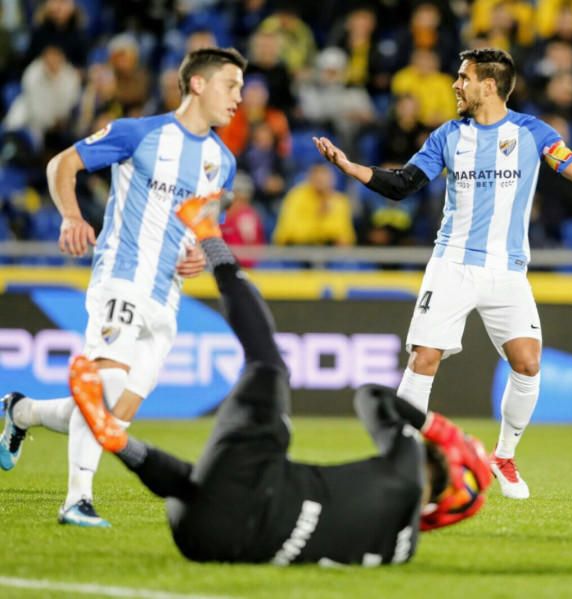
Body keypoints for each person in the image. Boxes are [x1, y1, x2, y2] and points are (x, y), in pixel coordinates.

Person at [66, 193, 492, 565]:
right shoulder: (403, 551)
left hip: (251, 487)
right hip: (205, 539)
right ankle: (118, 440)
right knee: (203, 484)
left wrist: (434, 427)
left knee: (268, 365)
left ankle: (209, 234)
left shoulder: (407, 466)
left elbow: (371, 396)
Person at [314, 48, 572, 500]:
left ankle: (503, 456)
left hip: (507, 272)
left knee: (528, 363)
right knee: (423, 358)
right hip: (453, 266)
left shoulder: (533, 133)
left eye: (462, 77)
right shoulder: (447, 136)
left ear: (489, 84)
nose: (455, 85)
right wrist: (352, 169)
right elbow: (403, 184)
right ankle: (403, 460)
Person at [0, 47, 246, 528]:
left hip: (167, 296)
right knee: (106, 389)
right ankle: (77, 500)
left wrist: (200, 247)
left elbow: (208, 218)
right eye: (231, 85)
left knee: (112, 416)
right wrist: (72, 215)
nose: (239, 98)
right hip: (122, 275)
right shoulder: (140, 133)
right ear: (197, 84)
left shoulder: (223, 160)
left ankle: (20, 411)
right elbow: (61, 166)